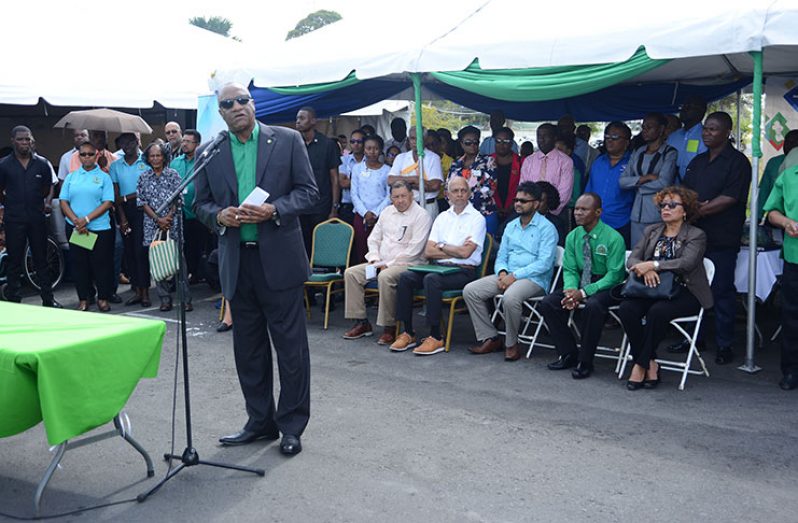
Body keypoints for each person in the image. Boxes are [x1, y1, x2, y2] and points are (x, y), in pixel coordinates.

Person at [193, 82, 319, 455]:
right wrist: (220, 216)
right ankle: (259, 422)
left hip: (278, 261)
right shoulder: (209, 151)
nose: (236, 107)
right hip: (237, 261)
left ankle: (291, 426)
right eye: (228, 104)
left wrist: (274, 209)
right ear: (220, 112)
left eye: (242, 100)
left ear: (252, 104)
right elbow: (201, 204)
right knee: (248, 350)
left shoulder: (287, 140)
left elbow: (310, 193)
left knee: (290, 350)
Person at [616, 186, 713, 389]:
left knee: (657, 312)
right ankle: (650, 361)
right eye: (663, 205)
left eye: (672, 205)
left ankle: (639, 364)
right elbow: (633, 258)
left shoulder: (696, 234)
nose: (666, 209)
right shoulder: (652, 230)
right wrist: (646, 269)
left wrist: (655, 265)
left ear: (685, 210)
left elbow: (687, 262)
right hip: (651, 288)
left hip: (684, 290)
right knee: (627, 309)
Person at [680, 111, 751, 365]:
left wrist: (697, 210)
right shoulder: (697, 161)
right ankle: (692, 339)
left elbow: (730, 197)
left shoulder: (738, 162)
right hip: (693, 236)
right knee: (690, 288)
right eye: (706, 129)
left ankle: (724, 344)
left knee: (721, 291)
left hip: (721, 236)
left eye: (713, 129)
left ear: (727, 131)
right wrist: (688, 207)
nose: (707, 133)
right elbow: (684, 192)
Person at [464, 182, 558, 361]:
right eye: (516, 200)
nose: (518, 204)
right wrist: (502, 273)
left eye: (524, 200)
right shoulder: (511, 225)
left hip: (534, 279)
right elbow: (502, 256)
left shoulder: (547, 228)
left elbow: (544, 263)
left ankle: (511, 343)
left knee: (510, 297)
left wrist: (514, 276)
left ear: (536, 204)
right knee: (471, 290)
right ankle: (490, 337)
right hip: (508, 275)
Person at [392, 177, 486, 355]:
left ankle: (436, 336)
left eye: (463, 190)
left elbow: (466, 254)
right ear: (448, 194)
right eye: (455, 191)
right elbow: (428, 251)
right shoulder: (442, 217)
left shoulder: (477, 219)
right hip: (438, 267)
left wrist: (442, 246)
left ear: (469, 193)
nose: (459, 194)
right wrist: (453, 249)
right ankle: (408, 332)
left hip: (463, 271)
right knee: (405, 278)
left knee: (431, 280)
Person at [539, 193, 626, 378]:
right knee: (548, 303)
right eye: (577, 209)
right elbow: (569, 268)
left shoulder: (613, 238)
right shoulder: (573, 236)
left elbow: (615, 275)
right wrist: (571, 290)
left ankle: (586, 361)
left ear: (598, 212)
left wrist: (584, 292)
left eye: (583, 209)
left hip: (605, 285)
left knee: (593, 307)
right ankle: (568, 353)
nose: (577, 213)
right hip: (580, 281)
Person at [342, 181, 432, 345]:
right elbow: (373, 239)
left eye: (404, 196)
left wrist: (387, 264)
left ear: (411, 195)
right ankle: (361, 322)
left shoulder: (421, 215)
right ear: (390, 198)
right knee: (351, 273)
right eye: (396, 197)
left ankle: (389, 327)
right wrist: (375, 259)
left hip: (408, 263)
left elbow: (415, 249)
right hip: (381, 261)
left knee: (385, 276)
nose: (400, 200)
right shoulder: (386, 212)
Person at [0, 126, 60, 307]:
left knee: (41, 260)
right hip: (14, 218)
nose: (24, 142)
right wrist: (12, 203)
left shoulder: (42, 163)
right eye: (20, 139)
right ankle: (14, 300)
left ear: (32, 140)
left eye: (27, 139)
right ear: (13, 140)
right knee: (14, 260)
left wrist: (46, 203)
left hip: (36, 218)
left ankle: (48, 300)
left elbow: (48, 187)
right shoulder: (4, 165)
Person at [59, 140, 115, 312]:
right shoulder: (71, 177)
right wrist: (77, 220)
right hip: (76, 228)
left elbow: (107, 202)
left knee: (101, 265)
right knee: (79, 265)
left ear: (97, 155)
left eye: (90, 154)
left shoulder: (104, 177)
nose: (87, 157)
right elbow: (63, 201)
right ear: (79, 156)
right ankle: (84, 298)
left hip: (99, 228)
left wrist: (87, 219)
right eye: (83, 154)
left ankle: (103, 298)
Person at [137, 142, 191, 312]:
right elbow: (141, 202)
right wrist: (158, 219)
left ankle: (185, 299)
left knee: (179, 262)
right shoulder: (143, 177)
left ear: (164, 157)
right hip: (152, 225)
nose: (155, 159)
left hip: (173, 223)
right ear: (147, 158)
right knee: (158, 262)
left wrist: (168, 217)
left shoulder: (173, 174)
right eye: (152, 156)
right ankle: (165, 299)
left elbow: (179, 197)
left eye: (158, 155)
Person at [618, 113, 679, 246]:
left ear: (661, 129)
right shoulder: (638, 152)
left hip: (658, 212)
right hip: (636, 213)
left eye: (649, 127)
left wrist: (636, 185)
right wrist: (645, 178)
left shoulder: (669, 153)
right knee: (636, 252)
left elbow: (664, 182)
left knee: (655, 253)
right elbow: (622, 182)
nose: (644, 130)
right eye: (643, 127)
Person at [763, 159, 798, 390]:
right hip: (795, 257)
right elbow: (771, 212)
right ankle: (792, 371)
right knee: (792, 316)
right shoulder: (789, 176)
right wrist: (786, 222)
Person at [110, 133, 151, 307]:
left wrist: (127, 197)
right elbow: (116, 194)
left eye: (130, 142)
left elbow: (147, 190)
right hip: (125, 212)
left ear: (137, 142)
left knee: (141, 250)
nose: (126, 145)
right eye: (122, 143)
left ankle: (146, 291)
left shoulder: (146, 162)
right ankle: (137, 290)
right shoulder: (116, 165)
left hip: (144, 210)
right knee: (130, 252)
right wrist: (122, 217)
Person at [296, 106, 341, 257]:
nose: (298, 121)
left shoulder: (327, 144)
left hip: (321, 205)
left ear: (313, 121)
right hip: (300, 205)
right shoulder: (294, 144)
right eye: (297, 118)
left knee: (322, 249)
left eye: (302, 118)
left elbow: (334, 178)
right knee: (302, 248)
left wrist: (334, 207)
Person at [520, 123, 573, 242]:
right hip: (530, 214)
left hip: (555, 214)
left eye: (546, 136)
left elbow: (564, 192)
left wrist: (548, 212)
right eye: (539, 136)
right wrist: (531, 210)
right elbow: (523, 188)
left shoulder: (565, 161)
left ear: (554, 138)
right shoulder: (529, 160)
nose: (541, 140)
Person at [171, 129, 211, 284]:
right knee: (183, 246)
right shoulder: (176, 162)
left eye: (188, 141)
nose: (184, 144)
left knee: (199, 246)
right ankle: (185, 275)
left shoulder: (203, 162)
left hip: (199, 214)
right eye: (184, 141)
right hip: (180, 213)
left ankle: (198, 274)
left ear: (198, 144)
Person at [585, 121, 634, 247]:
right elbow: (588, 193)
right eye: (607, 137)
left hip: (622, 222)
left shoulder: (633, 163)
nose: (609, 141)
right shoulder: (598, 162)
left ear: (627, 142)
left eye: (615, 138)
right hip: (596, 222)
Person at [448, 125, 499, 234]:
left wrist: (462, 200)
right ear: (461, 144)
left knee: (485, 248)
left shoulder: (488, 161)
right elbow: (448, 188)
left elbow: (490, 188)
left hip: (484, 213)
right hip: (459, 215)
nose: (472, 146)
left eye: (475, 142)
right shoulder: (455, 164)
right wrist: (457, 204)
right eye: (468, 143)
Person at [350, 134, 391, 262]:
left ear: (380, 150)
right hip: (361, 216)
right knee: (362, 250)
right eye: (368, 148)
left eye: (375, 148)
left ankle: (379, 279)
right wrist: (365, 213)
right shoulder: (357, 169)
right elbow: (354, 194)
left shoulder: (387, 170)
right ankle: (364, 279)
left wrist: (375, 213)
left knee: (381, 250)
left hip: (381, 216)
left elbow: (389, 195)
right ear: (364, 149)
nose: (372, 152)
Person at [387, 126, 443, 218]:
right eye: (412, 138)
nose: (414, 141)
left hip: (428, 205)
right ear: (408, 139)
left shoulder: (433, 158)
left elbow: (435, 186)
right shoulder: (401, 158)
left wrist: (405, 184)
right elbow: (390, 180)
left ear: (425, 139)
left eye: (418, 138)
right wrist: (414, 179)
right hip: (405, 206)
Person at [758, 130, 798, 220]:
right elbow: (764, 192)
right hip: (777, 216)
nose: (790, 145)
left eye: (795, 142)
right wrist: (758, 217)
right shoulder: (774, 163)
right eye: (787, 142)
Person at [667, 96, 708, 182]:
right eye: (683, 106)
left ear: (701, 111)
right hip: (671, 190)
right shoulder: (673, 136)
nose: (683, 110)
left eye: (689, 107)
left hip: (694, 191)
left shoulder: (706, 137)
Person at [490, 127, 522, 227]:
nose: (501, 145)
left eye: (506, 141)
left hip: (515, 209)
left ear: (512, 143)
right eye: (498, 141)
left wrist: (512, 206)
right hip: (492, 209)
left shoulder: (521, 162)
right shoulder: (486, 161)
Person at [337, 129, 366, 225]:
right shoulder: (343, 160)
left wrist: (351, 181)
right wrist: (365, 180)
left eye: (359, 142)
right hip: (348, 206)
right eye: (353, 141)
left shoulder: (371, 161)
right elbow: (342, 183)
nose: (355, 144)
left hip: (367, 206)